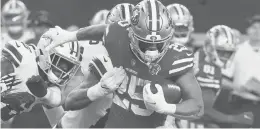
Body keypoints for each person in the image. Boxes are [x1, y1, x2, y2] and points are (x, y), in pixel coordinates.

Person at [43, 0, 204, 128]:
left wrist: (167, 108)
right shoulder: (108, 57)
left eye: (158, 45)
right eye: (145, 44)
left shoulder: (176, 60)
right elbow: (70, 102)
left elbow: (196, 107)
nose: (151, 52)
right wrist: (98, 89)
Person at [58, 3, 134, 128]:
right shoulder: (91, 52)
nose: (125, 37)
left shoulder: (149, 56)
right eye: (119, 31)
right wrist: (99, 89)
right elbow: (68, 99)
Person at [176, 25, 253, 128]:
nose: (225, 57)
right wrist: (234, 119)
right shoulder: (206, 66)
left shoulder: (203, 58)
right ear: (210, 47)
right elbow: (202, 109)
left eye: (228, 53)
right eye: (221, 51)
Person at [218, 14, 260, 128]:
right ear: (247, 30)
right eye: (254, 27)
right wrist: (238, 87)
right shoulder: (237, 51)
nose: (257, 31)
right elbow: (221, 79)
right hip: (242, 104)